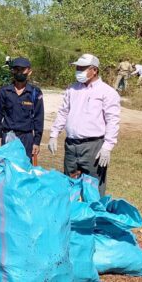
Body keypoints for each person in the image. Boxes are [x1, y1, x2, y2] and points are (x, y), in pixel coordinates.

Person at [47, 53, 121, 195]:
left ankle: (94, 208)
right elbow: (63, 112)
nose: (78, 71)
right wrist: (54, 134)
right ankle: (73, 209)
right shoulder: (72, 89)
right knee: (70, 183)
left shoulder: (107, 92)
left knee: (93, 187)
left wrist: (107, 146)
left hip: (93, 146)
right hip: (71, 145)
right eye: (77, 68)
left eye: (82, 68)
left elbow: (112, 120)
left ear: (94, 70)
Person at [0, 57, 44, 160]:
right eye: (16, 69)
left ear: (29, 71)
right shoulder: (4, 91)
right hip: (8, 137)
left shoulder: (35, 93)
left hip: (26, 138)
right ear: (12, 71)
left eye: (22, 70)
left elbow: (38, 118)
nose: (19, 72)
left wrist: (37, 142)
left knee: (24, 167)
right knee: (7, 166)